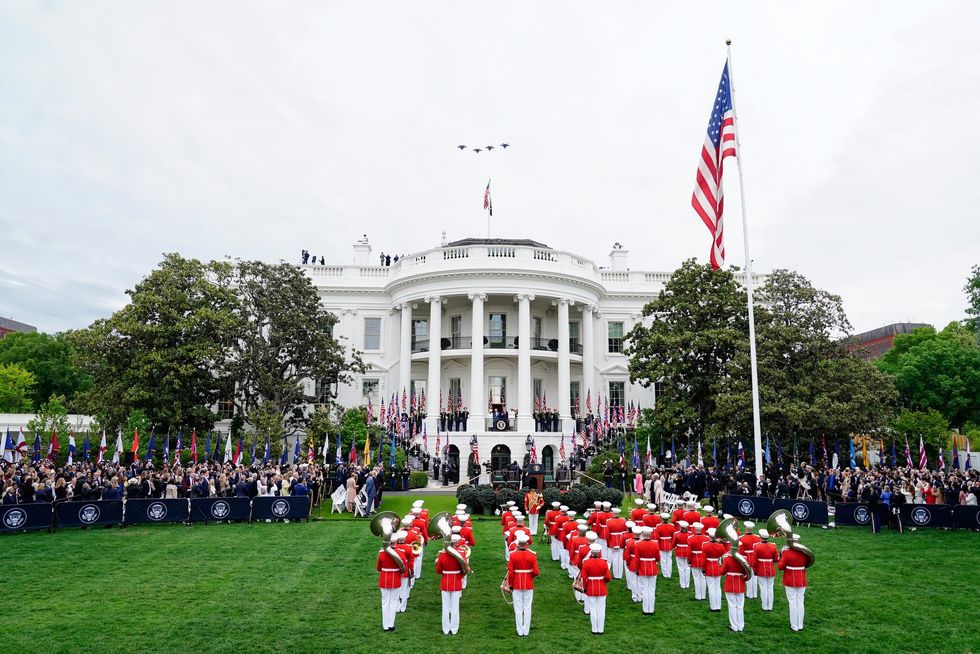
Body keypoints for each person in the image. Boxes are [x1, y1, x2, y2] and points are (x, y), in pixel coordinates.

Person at [507, 532, 539, 636]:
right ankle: (526, 630)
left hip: (516, 583)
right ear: (526, 544)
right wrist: (529, 575)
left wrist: (510, 584)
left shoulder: (512, 555)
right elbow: (536, 572)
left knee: (518, 607)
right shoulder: (532, 555)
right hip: (528, 584)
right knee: (527, 607)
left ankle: (520, 630)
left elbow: (510, 572)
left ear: (517, 544)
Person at [436, 535, 468, 635]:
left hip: (445, 581)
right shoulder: (461, 552)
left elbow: (438, 571)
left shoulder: (442, 554)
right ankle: (454, 629)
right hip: (457, 581)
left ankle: (445, 629)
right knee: (455, 607)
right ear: (457, 543)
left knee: (445, 607)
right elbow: (464, 569)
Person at [777, 534, 810, 631]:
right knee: (800, 602)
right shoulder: (805, 552)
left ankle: (794, 626)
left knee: (792, 602)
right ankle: (800, 625)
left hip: (790, 579)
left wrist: (781, 556)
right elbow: (808, 563)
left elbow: (780, 566)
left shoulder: (787, 552)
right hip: (801, 579)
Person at [376, 533, 407, 631]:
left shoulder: (382, 553)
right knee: (393, 602)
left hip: (384, 579)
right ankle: (391, 625)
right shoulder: (400, 553)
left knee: (385, 602)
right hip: (396, 579)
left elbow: (378, 568)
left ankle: (385, 626)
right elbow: (404, 569)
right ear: (396, 541)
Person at [580, 543, 611, 634]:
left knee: (593, 609)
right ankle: (601, 629)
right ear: (599, 553)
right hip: (602, 588)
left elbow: (583, 577)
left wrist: (584, 588)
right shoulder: (604, 562)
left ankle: (594, 629)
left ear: (591, 553)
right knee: (601, 609)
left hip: (590, 587)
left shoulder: (586, 563)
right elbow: (608, 577)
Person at [633, 526, 661, 615]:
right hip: (652, 568)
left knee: (644, 589)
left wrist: (636, 569)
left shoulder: (638, 544)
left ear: (642, 534)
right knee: (652, 589)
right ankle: (651, 609)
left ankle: (645, 609)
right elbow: (658, 558)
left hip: (642, 569)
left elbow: (637, 559)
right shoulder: (655, 544)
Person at [721, 551, 749, 632]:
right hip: (740, 584)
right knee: (740, 606)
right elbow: (747, 572)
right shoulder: (744, 558)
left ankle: (734, 626)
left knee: (732, 606)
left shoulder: (727, 558)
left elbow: (722, 571)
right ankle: (740, 626)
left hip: (729, 584)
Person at [752, 529, 778, 611]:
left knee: (763, 588)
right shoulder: (773, 546)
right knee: (770, 588)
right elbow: (776, 559)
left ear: (760, 537)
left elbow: (754, 561)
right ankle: (770, 606)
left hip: (761, 569)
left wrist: (755, 571)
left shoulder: (757, 547)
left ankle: (764, 606)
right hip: (770, 569)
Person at [702, 528, 726, 612]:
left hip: (709, 567)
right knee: (717, 587)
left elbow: (704, 560)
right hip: (717, 567)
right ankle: (718, 606)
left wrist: (703, 569)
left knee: (711, 588)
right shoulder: (720, 546)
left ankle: (713, 607)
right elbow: (724, 556)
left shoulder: (705, 546)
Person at [738, 521, 761, 599]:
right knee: (754, 577)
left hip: (747, 558)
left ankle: (749, 594)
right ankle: (754, 594)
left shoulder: (742, 538)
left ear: (746, 529)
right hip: (755, 558)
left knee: (749, 576)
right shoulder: (757, 537)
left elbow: (741, 552)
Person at [654, 512, 676, 579]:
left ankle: (665, 574)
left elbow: (657, 537)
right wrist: (672, 543)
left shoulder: (658, 526)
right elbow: (673, 536)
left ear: (662, 519)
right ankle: (669, 573)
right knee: (669, 559)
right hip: (669, 543)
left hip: (662, 544)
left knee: (663, 560)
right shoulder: (671, 526)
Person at [673, 520, 692, 589]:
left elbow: (673, 544)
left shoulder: (677, 534)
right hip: (688, 552)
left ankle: (682, 584)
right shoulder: (690, 534)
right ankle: (687, 584)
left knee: (681, 568)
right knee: (687, 568)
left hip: (679, 552)